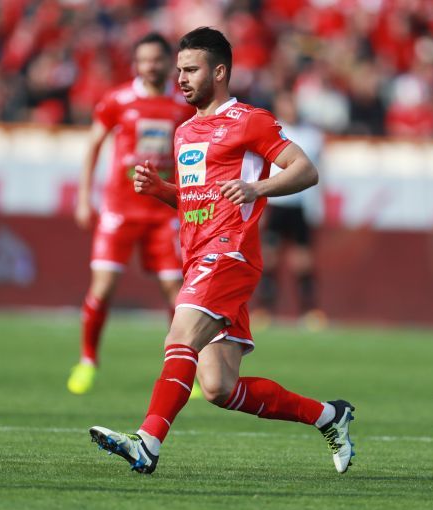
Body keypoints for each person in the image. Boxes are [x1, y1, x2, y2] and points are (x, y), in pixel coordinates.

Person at [89, 27, 355, 474]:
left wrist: (257, 188)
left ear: (219, 72)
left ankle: (147, 442)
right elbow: (196, 200)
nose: (181, 79)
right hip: (198, 255)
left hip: (229, 254)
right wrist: (161, 190)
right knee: (218, 387)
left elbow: (305, 170)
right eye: (179, 70)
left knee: (179, 338)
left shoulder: (250, 120)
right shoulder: (184, 131)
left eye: (191, 70)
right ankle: (329, 416)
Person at [67, 33, 195, 395]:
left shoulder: (183, 103)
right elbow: (93, 144)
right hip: (120, 210)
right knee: (103, 287)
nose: (151, 66)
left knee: (176, 291)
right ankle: (87, 360)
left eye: (157, 59)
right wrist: (83, 197)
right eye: (144, 60)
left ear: (169, 62)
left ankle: (184, 369)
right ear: (136, 64)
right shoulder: (117, 100)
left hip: (164, 212)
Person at [255, 91, 326, 327]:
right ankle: (264, 310)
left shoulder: (312, 135)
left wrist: (318, 205)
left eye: (293, 103)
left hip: (299, 205)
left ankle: (309, 311)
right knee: (269, 258)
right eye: (286, 103)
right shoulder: (272, 131)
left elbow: (318, 173)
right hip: (275, 204)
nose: (291, 108)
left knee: (303, 261)